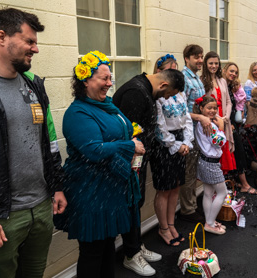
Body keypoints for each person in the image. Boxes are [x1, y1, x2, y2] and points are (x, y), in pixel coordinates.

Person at [0, 8, 67, 278]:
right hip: (1, 217)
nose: (36, 49)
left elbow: (50, 141)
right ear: (2, 37)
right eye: (29, 41)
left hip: (41, 208)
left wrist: (57, 187)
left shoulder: (34, 85)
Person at [54, 51, 145, 278]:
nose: (109, 83)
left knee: (107, 248)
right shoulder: (78, 113)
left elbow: (119, 132)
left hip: (111, 189)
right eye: (103, 78)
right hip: (91, 191)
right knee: (93, 252)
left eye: (110, 78)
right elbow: (93, 150)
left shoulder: (108, 106)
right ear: (85, 80)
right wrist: (130, 146)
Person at [113, 67, 185, 276]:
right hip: (129, 162)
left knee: (136, 203)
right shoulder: (136, 93)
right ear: (163, 85)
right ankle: (130, 254)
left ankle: (135, 246)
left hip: (139, 160)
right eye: (168, 94)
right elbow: (128, 133)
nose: (166, 97)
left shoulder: (145, 89)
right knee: (131, 204)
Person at [151, 54, 194, 246]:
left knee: (176, 185)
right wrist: (175, 145)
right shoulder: (157, 96)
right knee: (164, 188)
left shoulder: (180, 93)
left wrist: (186, 141)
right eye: (171, 70)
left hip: (181, 141)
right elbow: (159, 126)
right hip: (165, 145)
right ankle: (163, 228)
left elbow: (187, 118)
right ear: (160, 72)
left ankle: (171, 223)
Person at [179, 44, 208, 223]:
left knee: (195, 169)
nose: (200, 60)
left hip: (200, 131)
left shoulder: (196, 78)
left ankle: (193, 205)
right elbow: (180, 110)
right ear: (186, 59)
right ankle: (188, 210)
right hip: (188, 132)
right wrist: (200, 117)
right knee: (188, 172)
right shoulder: (183, 79)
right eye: (196, 57)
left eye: (201, 56)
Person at [222, 62, 257, 195]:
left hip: (234, 125)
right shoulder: (222, 86)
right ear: (225, 70)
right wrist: (229, 123)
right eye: (231, 71)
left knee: (237, 153)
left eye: (236, 72)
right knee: (237, 153)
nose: (233, 74)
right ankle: (244, 184)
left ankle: (236, 182)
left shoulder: (231, 86)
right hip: (227, 126)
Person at [194, 95, 228, 235]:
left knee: (208, 193)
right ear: (201, 108)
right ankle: (210, 223)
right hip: (211, 163)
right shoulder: (209, 125)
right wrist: (221, 128)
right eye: (209, 108)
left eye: (215, 108)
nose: (213, 111)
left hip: (204, 160)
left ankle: (209, 221)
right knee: (222, 192)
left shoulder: (202, 123)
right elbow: (218, 142)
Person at [201, 51, 236, 174]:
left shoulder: (222, 80)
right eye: (211, 63)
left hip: (224, 120)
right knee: (216, 150)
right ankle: (216, 187)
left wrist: (226, 117)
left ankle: (224, 185)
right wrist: (218, 117)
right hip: (213, 121)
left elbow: (228, 102)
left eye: (216, 63)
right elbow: (204, 103)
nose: (214, 66)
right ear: (206, 64)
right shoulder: (202, 81)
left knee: (225, 152)